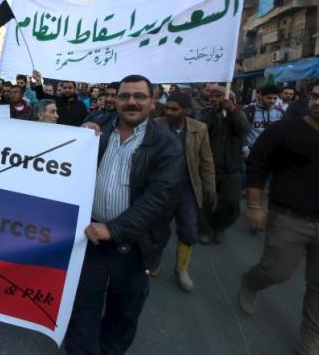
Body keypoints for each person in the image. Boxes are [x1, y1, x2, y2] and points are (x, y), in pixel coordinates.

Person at [64, 75, 184, 355]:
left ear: (153, 102)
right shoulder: (97, 128)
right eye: (125, 95)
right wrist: (80, 137)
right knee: (83, 304)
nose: (132, 101)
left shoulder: (167, 145)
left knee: (124, 310)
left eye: (139, 96)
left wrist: (114, 228)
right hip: (89, 237)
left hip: (135, 243)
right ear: (115, 100)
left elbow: (160, 199)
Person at [239, 76, 319, 355]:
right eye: (315, 96)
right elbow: (257, 165)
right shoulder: (284, 130)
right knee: (276, 271)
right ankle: (251, 282)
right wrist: (254, 206)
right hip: (289, 218)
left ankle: (313, 341)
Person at [154, 92, 216, 291]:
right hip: (162, 187)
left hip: (188, 188)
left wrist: (210, 189)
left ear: (187, 111)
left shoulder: (200, 129)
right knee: (158, 228)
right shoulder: (157, 125)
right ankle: (153, 261)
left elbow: (206, 161)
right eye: (168, 108)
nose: (169, 112)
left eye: (174, 109)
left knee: (188, 229)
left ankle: (181, 269)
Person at [197, 85, 250, 244]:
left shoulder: (238, 114)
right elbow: (202, 130)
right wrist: (214, 112)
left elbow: (244, 129)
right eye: (212, 96)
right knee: (206, 201)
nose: (214, 99)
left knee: (231, 202)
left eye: (218, 96)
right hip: (208, 168)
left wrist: (232, 111)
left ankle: (219, 227)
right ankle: (204, 229)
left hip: (231, 168)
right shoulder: (205, 114)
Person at [243, 84, 284, 152]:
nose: (272, 101)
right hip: (253, 150)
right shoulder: (249, 111)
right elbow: (242, 132)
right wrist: (245, 149)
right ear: (261, 96)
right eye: (269, 98)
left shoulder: (280, 112)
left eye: (275, 98)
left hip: (273, 151)